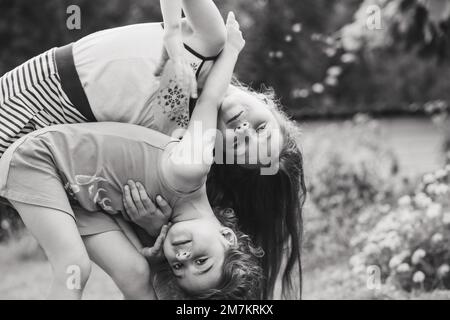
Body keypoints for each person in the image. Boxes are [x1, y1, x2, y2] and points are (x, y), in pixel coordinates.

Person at [0, 0, 306, 299]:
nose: (244, 131)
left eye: (241, 146)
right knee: (75, 268)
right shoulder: (210, 42)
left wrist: (157, 225)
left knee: (135, 275)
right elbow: (209, 96)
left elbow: (114, 170)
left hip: (63, 166)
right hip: (27, 111)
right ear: (268, 102)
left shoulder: (178, 136)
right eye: (262, 128)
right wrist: (173, 32)